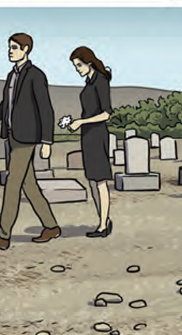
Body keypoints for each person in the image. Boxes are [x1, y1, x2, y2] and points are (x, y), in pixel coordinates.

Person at [0, 33, 60, 250]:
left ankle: (3, 235)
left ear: (26, 49)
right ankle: (51, 226)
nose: (9, 51)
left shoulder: (36, 75)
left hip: (27, 137)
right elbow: (5, 105)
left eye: (14, 47)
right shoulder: (11, 76)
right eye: (9, 47)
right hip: (12, 135)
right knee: (28, 184)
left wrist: (47, 141)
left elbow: (46, 109)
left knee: (13, 184)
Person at [66, 46, 114, 238]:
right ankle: (102, 220)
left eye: (79, 65)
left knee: (100, 181)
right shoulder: (89, 83)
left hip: (97, 134)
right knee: (93, 180)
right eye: (75, 66)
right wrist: (74, 122)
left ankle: (103, 225)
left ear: (89, 62)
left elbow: (106, 114)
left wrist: (82, 122)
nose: (77, 69)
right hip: (87, 135)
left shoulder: (100, 82)